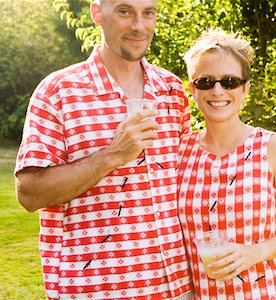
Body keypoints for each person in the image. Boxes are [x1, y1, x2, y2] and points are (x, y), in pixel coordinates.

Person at [14, 1, 193, 299]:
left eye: (148, 13)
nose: (139, 25)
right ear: (97, 14)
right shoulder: (58, 92)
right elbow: (29, 194)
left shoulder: (172, 90)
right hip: (94, 289)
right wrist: (113, 155)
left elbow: (189, 184)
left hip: (174, 287)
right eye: (125, 11)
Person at [177, 28, 276, 299]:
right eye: (205, 81)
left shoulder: (272, 147)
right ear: (192, 89)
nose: (218, 90)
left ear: (245, 88)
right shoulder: (180, 152)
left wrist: (256, 252)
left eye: (229, 81)